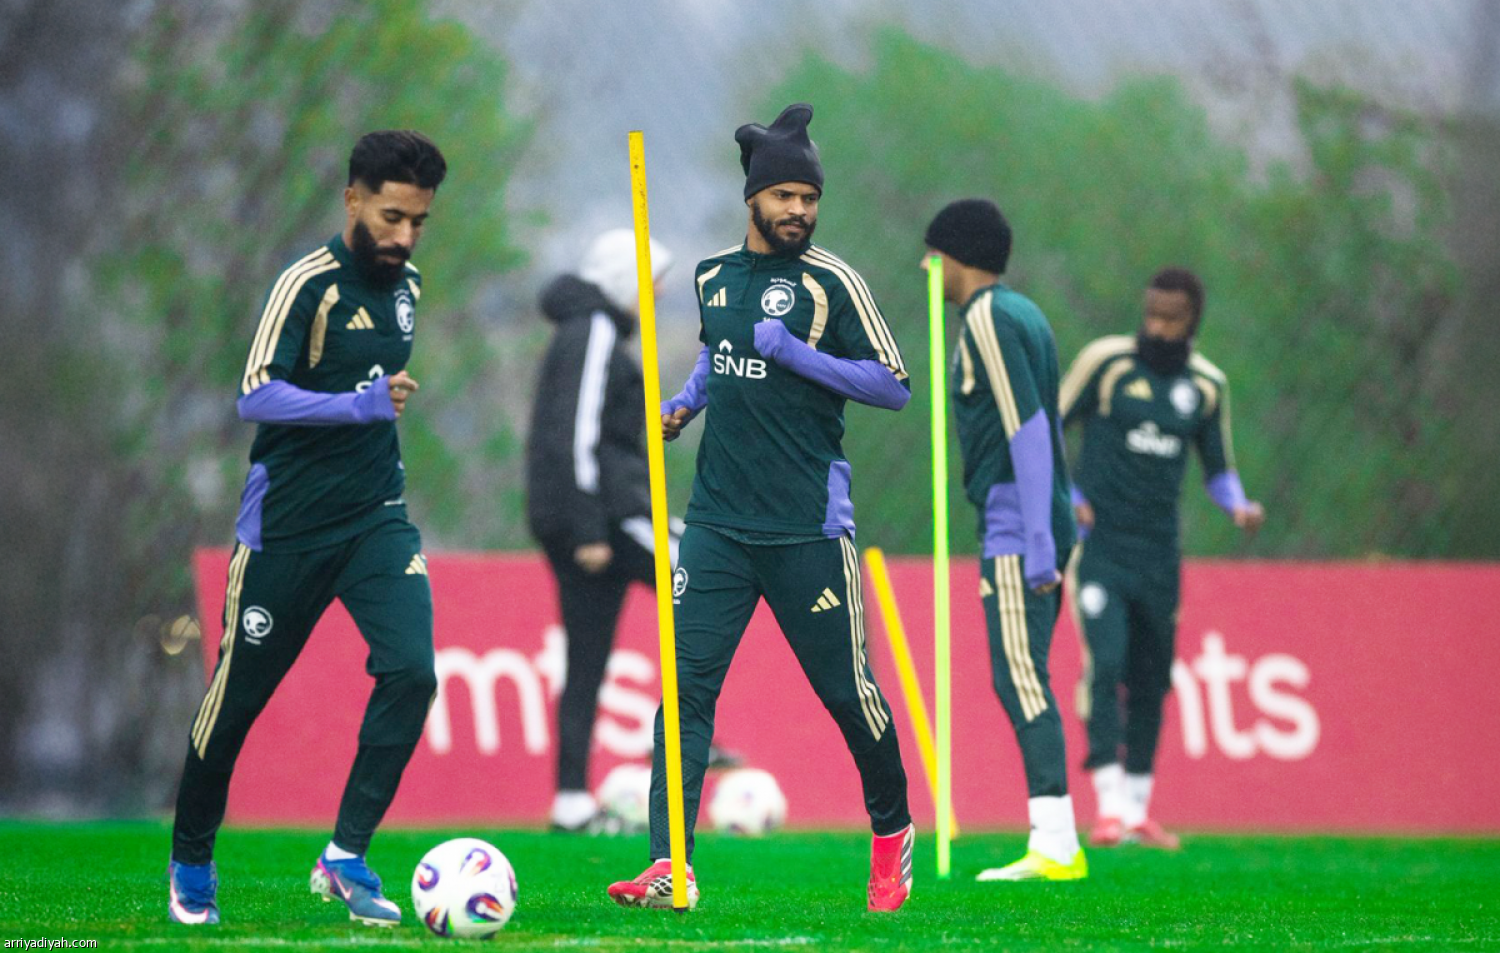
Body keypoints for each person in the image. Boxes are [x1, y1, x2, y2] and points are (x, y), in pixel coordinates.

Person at [606, 103, 915, 912]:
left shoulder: (833, 282)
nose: (799, 211)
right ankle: (670, 862)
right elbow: (721, 353)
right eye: (784, 196)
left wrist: (802, 355)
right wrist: (685, 403)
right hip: (716, 525)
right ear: (753, 199)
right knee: (685, 693)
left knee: (849, 694)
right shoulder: (713, 277)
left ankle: (892, 834)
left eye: (809, 198)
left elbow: (892, 385)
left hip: (807, 527)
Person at [167, 130, 447, 926]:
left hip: (376, 518)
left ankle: (345, 854)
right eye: (391, 217)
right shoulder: (307, 283)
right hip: (286, 528)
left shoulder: (408, 286)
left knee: (413, 671)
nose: (404, 236)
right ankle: (191, 859)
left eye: (418, 221)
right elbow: (255, 393)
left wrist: (369, 413)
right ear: (353, 199)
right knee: (235, 704)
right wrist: (356, 406)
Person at [1060, 267, 1264, 850]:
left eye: (1170, 319)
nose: (1157, 327)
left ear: (1192, 321)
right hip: (1100, 547)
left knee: (1151, 677)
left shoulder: (1207, 385)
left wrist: (1238, 505)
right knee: (1106, 663)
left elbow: (1218, 468)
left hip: (1158, 554)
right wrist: (1067, 496)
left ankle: (1138, 809)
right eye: (1151, 314)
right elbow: (1046, 427)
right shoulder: (1107, 363)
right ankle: (1106, 809)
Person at [926, 198, 1088, 882]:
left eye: (933, 255)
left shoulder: (988, 316)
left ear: (955, 257)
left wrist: (1039, 540)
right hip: (1033, 518)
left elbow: (1027, 425)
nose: (927, 268)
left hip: (1018, 525)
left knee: (1019, 675)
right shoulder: (1025, 311)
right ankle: (1054, 838)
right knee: (1022, 674)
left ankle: (1056, 842)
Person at [525, 228, 683, 832]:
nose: (659, 292)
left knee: (587, 655)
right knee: (702, 580)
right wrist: (589, 527)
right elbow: (576, 431)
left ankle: (570, 801)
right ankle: (684, 732)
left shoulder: (587, 329)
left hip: (583, 514)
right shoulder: (592, 328)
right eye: (652, 280)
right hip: (605, 517)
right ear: (623, 278)